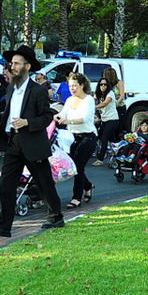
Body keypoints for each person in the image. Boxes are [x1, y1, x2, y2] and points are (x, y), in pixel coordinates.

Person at [0, 44, 63, 238]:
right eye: (11, 63)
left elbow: (47, 116)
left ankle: (56, 216)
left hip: (32, 143)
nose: (12, 66)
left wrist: (27, 122)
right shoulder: (11, 87)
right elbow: (8, 114)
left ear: (27, 67)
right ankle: (4, 227)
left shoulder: (38, 90)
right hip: (13, 141)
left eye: (17, 63)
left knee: (44, 182)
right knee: (6, 184)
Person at [57, 72, 97, 208]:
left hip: (88, 136)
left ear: (82, 85)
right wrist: (53, 116)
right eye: (70, 86)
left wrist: (69, 121)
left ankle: (76, 197)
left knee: (78, 167)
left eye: (75, 86)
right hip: (72, 138)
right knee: (72, 167)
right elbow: (62, 114)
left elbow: (85, 118)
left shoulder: (89, 100)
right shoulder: (69, 100)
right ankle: (88, 185)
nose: (72, 89)